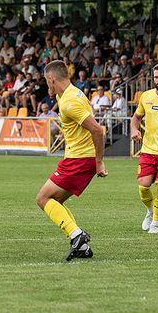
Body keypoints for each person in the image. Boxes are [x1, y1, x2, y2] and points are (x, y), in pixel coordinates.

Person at [35, 60, 107, 261]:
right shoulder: (71, 93)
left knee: (43, 198)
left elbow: (97, 130)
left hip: (79, 159)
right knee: (55, 201)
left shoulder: (69, 102)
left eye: (46, 81)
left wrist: (99, 161)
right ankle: (81, 246)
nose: (46, 85)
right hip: (80, 157)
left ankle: (77, 235)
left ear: (51, 79)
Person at [130, 62, 158, 234]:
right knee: (143, 187)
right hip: (148, 150)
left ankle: (156, 222)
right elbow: (136, 118)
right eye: (156, 77)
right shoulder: (146, 96)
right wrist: (134, 130)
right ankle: (150, 211)